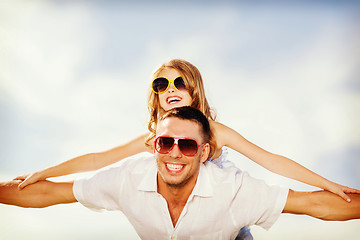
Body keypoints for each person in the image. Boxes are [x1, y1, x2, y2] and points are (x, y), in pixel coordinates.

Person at [13, 59, 359, 238]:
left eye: (180, 82)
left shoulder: (214, 130)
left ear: (195, 89)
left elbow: (269, 160)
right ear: (156, 96)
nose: (171, 88)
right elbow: (97, 158)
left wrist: (326, 183)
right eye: (161, 84)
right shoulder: (152, 139)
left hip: (228, 220)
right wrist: (44, 172)